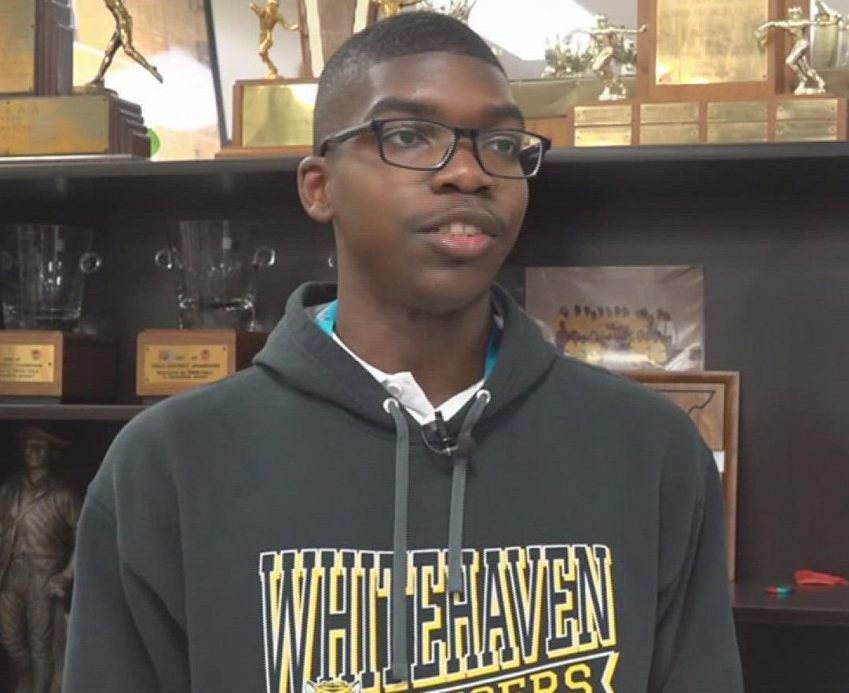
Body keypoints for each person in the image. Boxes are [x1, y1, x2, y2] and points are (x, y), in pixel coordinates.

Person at [64, 12, 741, 693]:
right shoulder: (169, 466)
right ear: (319, 187)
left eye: (501, 144)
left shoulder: (651, 451)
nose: (469, 173)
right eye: (410, 136)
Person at [0, 427, 79, 693]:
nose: (32, 451)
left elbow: (84, 536)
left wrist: (65, 575)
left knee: (41, 644)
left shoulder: (63, 494)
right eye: (28, 445)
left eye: (40, 446)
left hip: (44, 575)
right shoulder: (9, 489)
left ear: (52, 453)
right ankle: (25, 678)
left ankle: (39, 689)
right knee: (10, 637)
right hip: (11, 572)